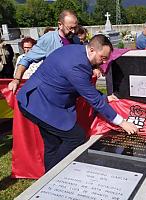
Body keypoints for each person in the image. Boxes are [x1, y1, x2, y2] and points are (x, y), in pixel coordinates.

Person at [16, 34, 138, 172]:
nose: (103, 62)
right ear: (92, 50)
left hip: (43, 99)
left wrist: (104, 98)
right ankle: (53, 173)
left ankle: (48, 176)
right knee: (76, 136)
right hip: (38, 104)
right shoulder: (76, 66)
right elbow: (93, 100)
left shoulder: (78, 51)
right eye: (102, 58)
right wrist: (122, 122)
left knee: (52, 143)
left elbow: (86, 87)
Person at [8, 9, 79, 93]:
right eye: (70, 28)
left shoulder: (76, 40)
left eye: (75, 28)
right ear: (60, 25)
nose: (74, 31)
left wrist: (94, 68)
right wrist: (16, 79)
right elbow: (26, 59)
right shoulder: (48, 39)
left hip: (71, 89)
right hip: (53, 90)